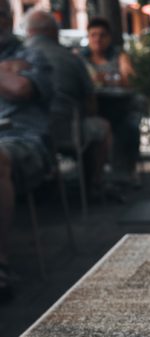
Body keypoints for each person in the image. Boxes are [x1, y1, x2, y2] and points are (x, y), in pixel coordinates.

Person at [25, 10, 115, 201]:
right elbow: (91, 102)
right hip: (66, 131)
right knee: (102, 128)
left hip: (26, 134)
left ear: (29, 32)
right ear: (54, 31)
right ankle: (94, 184)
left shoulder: (15, 58)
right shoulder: (72, 58)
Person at [0, 0, 53, 302]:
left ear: (9, 19)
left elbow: (20, 89)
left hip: (26, 142)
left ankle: (1, 262)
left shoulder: (33, 53)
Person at [81, 17, 141, 184]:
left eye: (102, 35)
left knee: (130, 126)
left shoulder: (118, 55)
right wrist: (112, 78)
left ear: (109, 37)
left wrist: (104, 78)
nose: (97, 39)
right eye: (93, 35)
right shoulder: (81, 56)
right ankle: (95, 176)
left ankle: (128, 170)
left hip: (121, 107)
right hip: (94, 108)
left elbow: (129, 79)